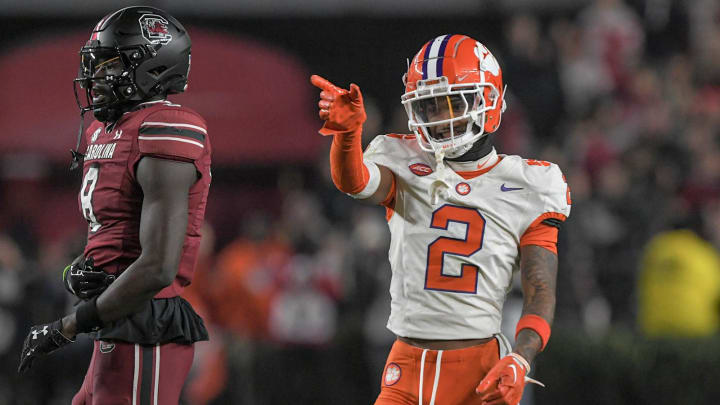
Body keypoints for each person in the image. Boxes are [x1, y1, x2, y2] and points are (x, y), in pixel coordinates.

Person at [311, 34, 571, 405]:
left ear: (489, 100)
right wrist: (348, 136)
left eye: (452, 103)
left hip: (480, 369)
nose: (441, 118)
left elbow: (540, 289)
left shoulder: (528, 184)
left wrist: (520, 357)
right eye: (430, 107)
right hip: (406, 364)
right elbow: (355, 181)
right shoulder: (405, 161)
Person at [18, 6, 211, 405]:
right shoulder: (106, 130)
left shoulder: (165, 128)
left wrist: (67, 326)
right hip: (118, 321)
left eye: (110, 65)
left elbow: (158, 266)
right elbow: (108, 232)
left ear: (153, 67)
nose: (96, 77)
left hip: (146, 325)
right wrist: (78, 270)